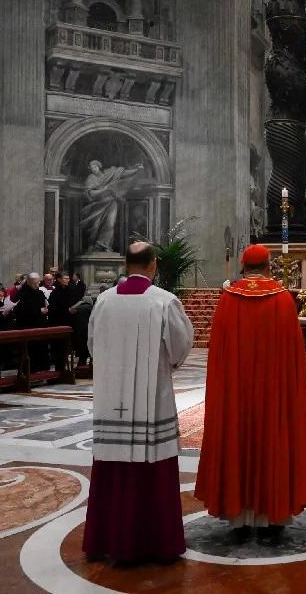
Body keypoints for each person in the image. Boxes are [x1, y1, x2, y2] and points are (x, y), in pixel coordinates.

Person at [194, 244, 306, 545]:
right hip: (273, 391)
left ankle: (238, 517)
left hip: (236, 392)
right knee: (272, 439)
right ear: (268, 265)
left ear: (243, 265)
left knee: (237, 437)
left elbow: (218, 356)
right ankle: (273, 515)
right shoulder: (283, 300)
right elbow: (293, 358)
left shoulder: (228, 299)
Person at [84, 242, 193, 564]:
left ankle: (107, 540)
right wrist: (166, 366)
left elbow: (92, 345)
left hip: (109, 396)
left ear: (126, 264)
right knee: (152, 466)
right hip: (152, 398)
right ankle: (154, 543)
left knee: (111, 464)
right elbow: (180, 347)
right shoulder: (164, 301)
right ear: (153, 265)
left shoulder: (102, 302)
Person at [13, 272, 50, 372]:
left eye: (38, 283)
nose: (38, 285)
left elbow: (45, 304)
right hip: (27, 326)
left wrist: (46, 309)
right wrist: (39, 311)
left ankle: (42, 372)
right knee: (30, 352)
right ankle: (29, 372)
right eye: (35, 283)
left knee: (41, 350)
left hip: (40, 326)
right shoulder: (21, 294)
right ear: (29, 282)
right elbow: (21, 311)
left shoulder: (39, 292)